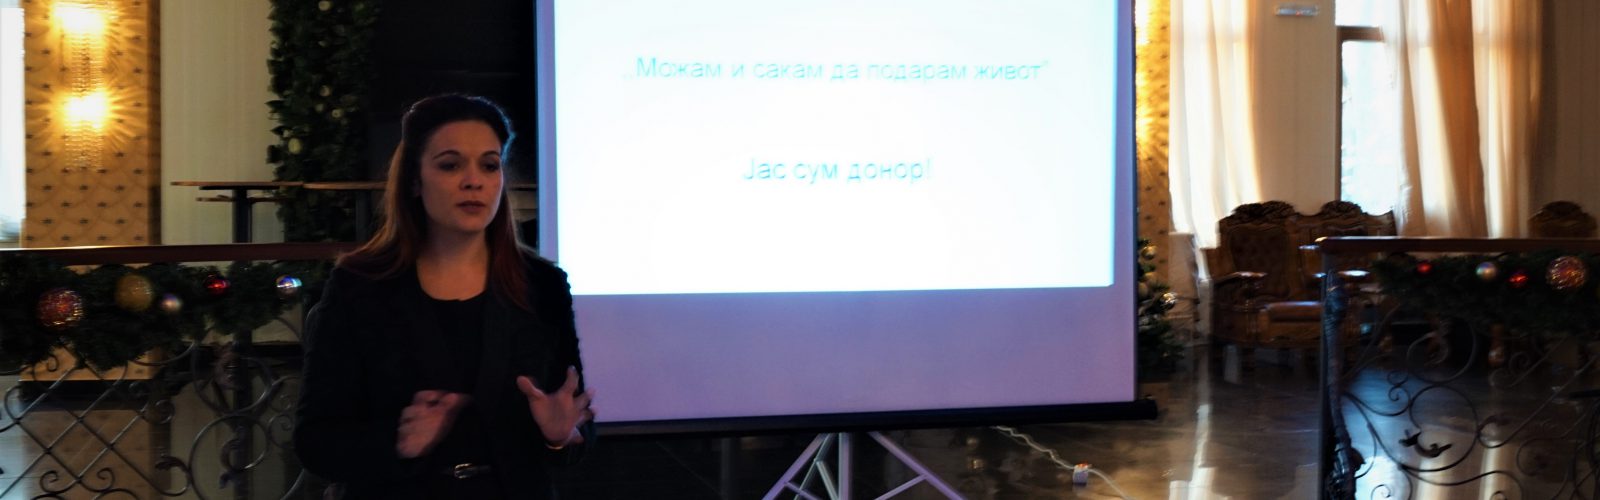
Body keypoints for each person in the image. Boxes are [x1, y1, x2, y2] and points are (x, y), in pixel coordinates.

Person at [294, 94, 595, 499]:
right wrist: (398, 442)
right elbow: (315, 442)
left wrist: (560, 436)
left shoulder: (543, 285)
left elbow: (576, 431)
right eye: (451, 165)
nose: (474, 180)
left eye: (489, 165)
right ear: (414, 181)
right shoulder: (359, 286)